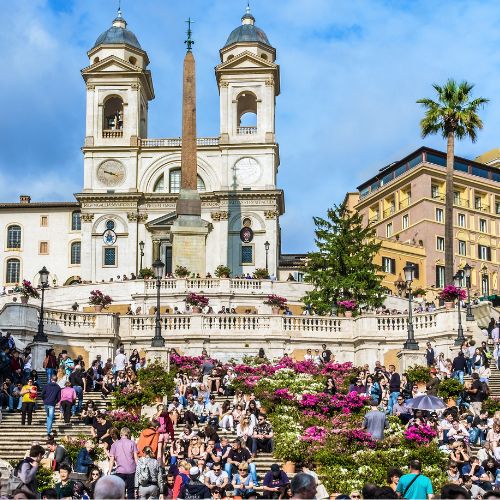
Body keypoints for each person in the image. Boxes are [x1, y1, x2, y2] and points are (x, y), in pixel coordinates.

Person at [109, 427, 139, 499]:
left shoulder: (114, 445)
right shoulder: (132, 443)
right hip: (131, 470)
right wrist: (138, 468)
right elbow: (136, 458)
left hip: (120, 470)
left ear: (120, 434)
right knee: (130, 491)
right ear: (128, 434)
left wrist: (109, 471)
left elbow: (111, 459)